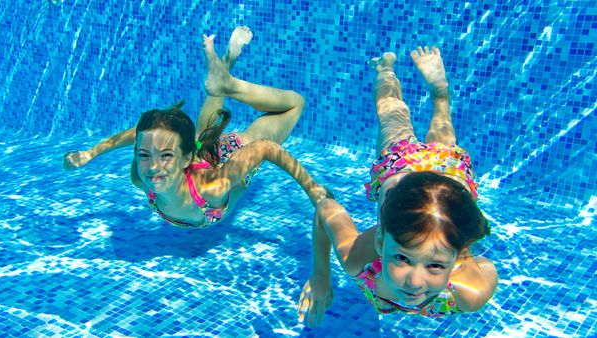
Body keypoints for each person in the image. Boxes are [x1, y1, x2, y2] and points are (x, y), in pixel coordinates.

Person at [297, 46, 497, 325]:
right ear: (380, 241)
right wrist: (321, 275)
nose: (415, 281)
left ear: (455, 260)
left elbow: (327, 210)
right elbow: (324, 210)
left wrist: (463, 253)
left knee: (403, 121)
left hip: (421, 170)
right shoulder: (358, 258)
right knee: (391, 113)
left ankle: (440, 95)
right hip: (425, 168)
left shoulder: (470, 294)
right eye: (402, 258)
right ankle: (385, 67)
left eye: (436, 264)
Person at [64, 27, 328, 227]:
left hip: (232, 155)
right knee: (203, 135)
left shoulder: (213, 188)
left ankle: (230, 83)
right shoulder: (141, 177)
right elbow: (139, 136)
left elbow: (266, 148)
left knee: (296, 104)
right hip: (201, 154)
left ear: (184, 157)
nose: (153, 166)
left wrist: (312, 188)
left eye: (165, 156)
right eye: (144, 156)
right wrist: (90, 154)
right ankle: (225, 69)